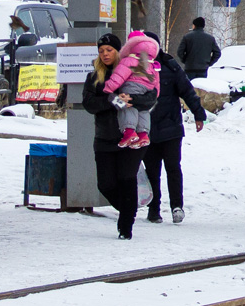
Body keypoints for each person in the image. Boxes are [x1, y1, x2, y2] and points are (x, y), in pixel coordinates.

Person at [83, 33, 154, 240]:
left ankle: (125, 227)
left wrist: (131, 99)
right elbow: (89, 104)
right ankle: (128, 209)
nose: (105, 54)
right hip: (105, 137)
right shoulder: (94, 77)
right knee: (105, 184)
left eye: (109, 50)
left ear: (118, 51)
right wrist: (113, 100)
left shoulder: (134, 69)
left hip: (132, 137)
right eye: (101, 51)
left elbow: (151, 97)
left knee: (126, 178)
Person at [142, 31, 206, 225]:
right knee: (152, 171)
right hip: (147, 128)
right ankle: (153, 210)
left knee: (173, 168)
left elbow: (186, 90)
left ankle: (176, 206)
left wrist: (198, 113)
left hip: (171, 128)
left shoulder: (170, 66)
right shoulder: (135, 68)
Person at [103, 33, 161, 149]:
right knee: (143, 110)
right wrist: (155, 94)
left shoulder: (129, 60)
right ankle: (143, 134)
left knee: (128, 106)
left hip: (132, 86)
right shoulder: (153, 64)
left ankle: (129, 131)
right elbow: (157, 84)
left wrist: (108, 88)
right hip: (147, 89)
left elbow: (119, 76)